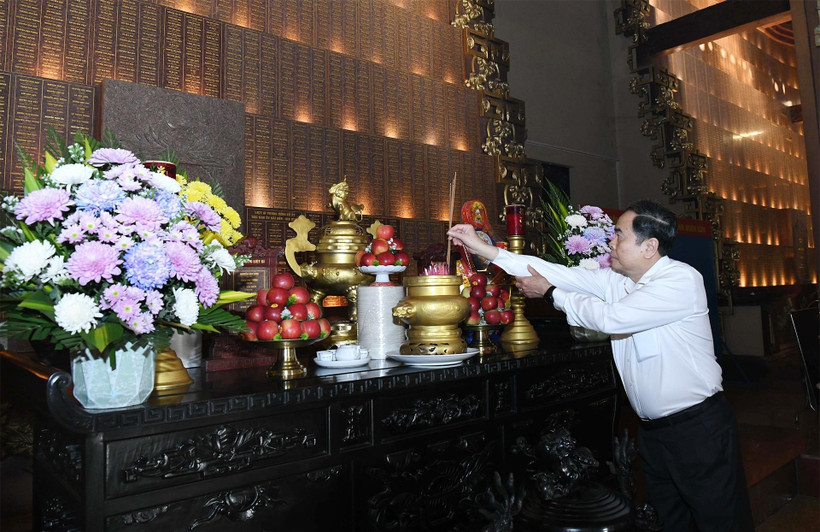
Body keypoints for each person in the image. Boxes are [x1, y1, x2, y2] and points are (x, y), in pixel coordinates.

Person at [448, 200, 753, 531]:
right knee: (669, 520)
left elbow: (611, 318)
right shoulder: (618, 282)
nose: (611, 242)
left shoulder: (680, 280)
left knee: (720, 521)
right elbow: (553, 271)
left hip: (697, 429)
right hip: (654, 432)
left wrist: (550, 294)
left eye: (620, 235)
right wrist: (482, 247)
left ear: (650, 246)